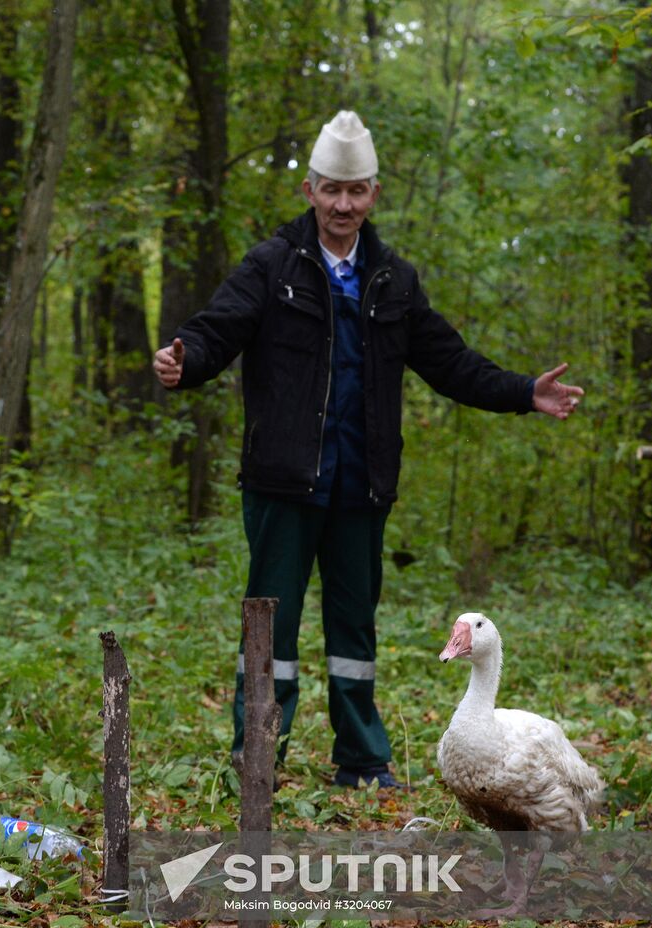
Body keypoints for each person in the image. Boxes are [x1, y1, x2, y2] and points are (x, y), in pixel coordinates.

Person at [153, 110, 584, 789]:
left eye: (356, 192)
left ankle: (361, 761)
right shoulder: (272, 267)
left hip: (362, 486)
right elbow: (216, 329)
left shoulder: (394, 281)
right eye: (331, 190)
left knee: (355, 630)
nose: (343, 205)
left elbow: (452, 362)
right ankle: (258, 758)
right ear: (310, 191)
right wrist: (187, 361)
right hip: (282, 482)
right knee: (271, 626)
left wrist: (524, 391)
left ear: (374, 194)